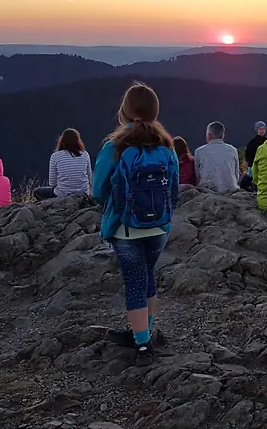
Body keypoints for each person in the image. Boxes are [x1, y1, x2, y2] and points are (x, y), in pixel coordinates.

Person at [93, 82, 179, 367]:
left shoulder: (115, 147)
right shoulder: (167, 146)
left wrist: (117, 205)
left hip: (125, 228)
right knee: (147, 276)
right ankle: (144, 331)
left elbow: (98, 190)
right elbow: (174, 188)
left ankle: (142, 345)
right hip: (159, 227)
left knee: (135, 282)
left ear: (125, 111)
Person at [33, 128, 93, 200]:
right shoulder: (85, 154)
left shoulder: (55, 156)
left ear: (61, 141)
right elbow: (90, 177)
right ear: (78, 140)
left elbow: (52, 183)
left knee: (37, 192)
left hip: (62, 193)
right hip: (83, 193)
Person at [194, 122, 240, 191]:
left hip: (208, 191)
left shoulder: (199, 151)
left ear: (209, 135)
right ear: (223, 135)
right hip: (231, 191)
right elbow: (236, 176)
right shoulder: (233, 150)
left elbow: (197, 177)